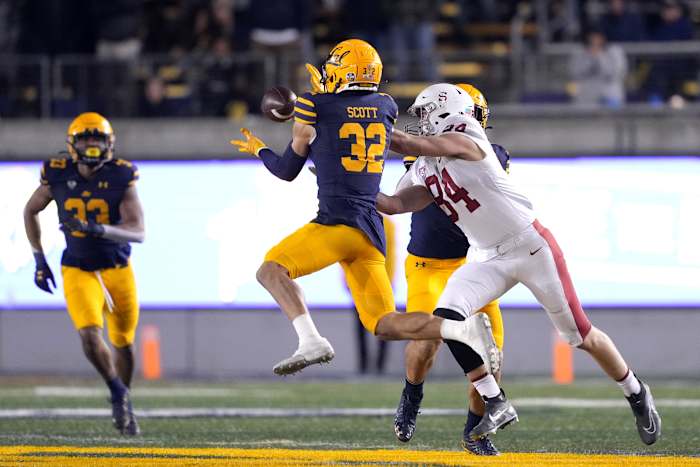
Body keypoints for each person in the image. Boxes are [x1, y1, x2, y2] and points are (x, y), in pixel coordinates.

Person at [377, 83, 661, 446]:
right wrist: (350, 184)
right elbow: (394, 204)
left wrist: (368, 126)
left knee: (579, 335)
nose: (419, 122)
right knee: (449, 322)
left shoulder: (467, 133)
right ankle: (496, 401)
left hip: (530, 247)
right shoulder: (424, 168)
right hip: (488, 257)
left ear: (442, 110)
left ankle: (635, 391)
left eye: (422, 113)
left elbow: (412, 144)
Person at [229, 39, 482, 377]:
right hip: (371, 232)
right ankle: (460, 330)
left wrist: (261, 149)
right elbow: (354, 113)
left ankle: (311, 340)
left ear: (341, 71)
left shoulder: (314, 104)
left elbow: (287, 170)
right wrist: (324, 102)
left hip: (336, 225)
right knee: (385, 323)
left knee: (271, 271)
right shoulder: (386, 106)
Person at [393, 84, 510, 455]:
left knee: (491, 356)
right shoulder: (425, 151)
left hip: (473, 267)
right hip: (428, 265)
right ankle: (412, 393)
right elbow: (404, 193)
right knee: (426, 340)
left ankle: (476, 432)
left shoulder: (491, 154)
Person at [23, 112, 145, 435]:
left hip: (117, 267)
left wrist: (96, 228)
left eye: (98, 139)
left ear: (109, 143)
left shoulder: (121, 175)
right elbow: (31, 210)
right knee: (89, 336)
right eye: (85, 139)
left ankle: (125, 398)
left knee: (124, 343)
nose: (92, 145)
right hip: (78, 267)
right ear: (72, 144)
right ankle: (117, 391)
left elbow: (138, 231)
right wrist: (38, 259)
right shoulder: (57, 173)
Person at [569, 28, 627, 107]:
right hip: (586, 95)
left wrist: (599, 56)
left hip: (609, 93)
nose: (595, 40)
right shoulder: (579, 52)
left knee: (613, 99)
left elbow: (616, 74)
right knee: (577, 93)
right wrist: (590, 57)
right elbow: (575, 74)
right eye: (592, 37)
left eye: (598, 37)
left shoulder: (614, 51)